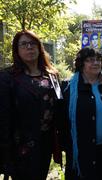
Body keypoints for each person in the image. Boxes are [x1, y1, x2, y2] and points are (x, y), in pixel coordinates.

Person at [0, 30, 62, 180]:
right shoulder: (7, 77)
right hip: (20, 147)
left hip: (46, 143)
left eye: (33, 43)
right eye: (24, 44)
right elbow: (3, 117)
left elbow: (59, 106)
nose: (29, 47)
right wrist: (5, 155)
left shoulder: (52, 75)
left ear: (39, 47)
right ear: (17, 49)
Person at [62, 47, 102, 180]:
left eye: (98, 60)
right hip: (81, 151)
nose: (95, 63)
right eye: (90, 60)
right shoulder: (69, 87)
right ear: (81, 63)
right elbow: (62, 121)